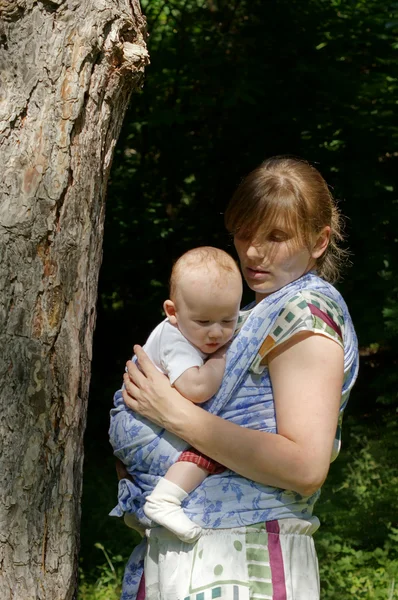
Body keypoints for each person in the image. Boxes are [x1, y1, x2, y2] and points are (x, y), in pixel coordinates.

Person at [114, 156, 359, 600]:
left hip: (244, 560)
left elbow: (305, 466)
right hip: (200, 552)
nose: (251, 252)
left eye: (276, 236)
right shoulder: (250, 316)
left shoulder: (303, 312)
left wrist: (171, 412)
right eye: (243, 233)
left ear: (320, 241)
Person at [130, 247, 242, 542]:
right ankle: (163, 501)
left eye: (228, 321)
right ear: (172, 312)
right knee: (208, 446)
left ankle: (136, 505)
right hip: (137, 421)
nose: (216, 333)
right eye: (204, 322)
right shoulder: (174, 338)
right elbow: (196, 388)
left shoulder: (189, 329)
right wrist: (221, 357)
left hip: (140, 417)